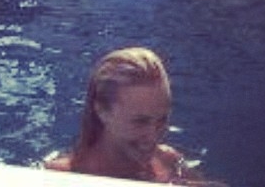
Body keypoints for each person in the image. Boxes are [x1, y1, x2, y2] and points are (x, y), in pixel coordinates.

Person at [44, 47, 207, 183]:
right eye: (140, 121)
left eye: (162, 119)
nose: (153, 137)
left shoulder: (169, 162)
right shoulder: (60, 177)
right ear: (102, 111)